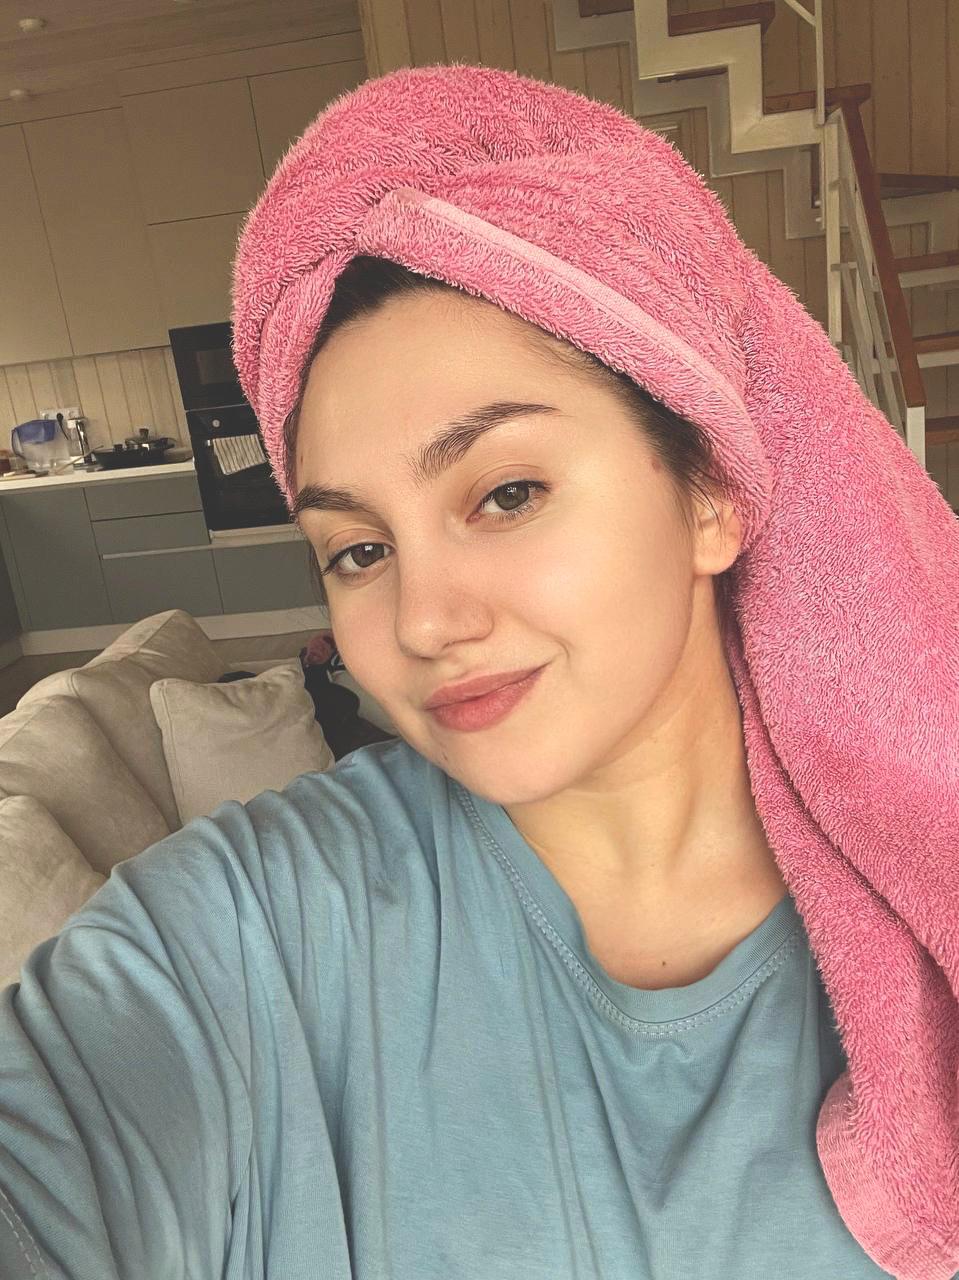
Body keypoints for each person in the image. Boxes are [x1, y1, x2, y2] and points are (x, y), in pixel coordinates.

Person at [1, 64, 957, 1280]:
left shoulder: (918, 906)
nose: (422, 619)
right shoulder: (239, 932)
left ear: (712, 491)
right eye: (357, 550)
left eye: (505, 493)